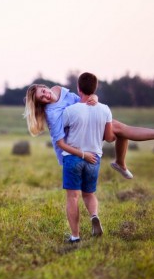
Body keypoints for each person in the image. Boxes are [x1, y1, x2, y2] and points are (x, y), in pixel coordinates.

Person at [23, 80, 154, 179]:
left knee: (119, 128)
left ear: (45, 87)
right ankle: (120, 163)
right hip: (74, 139)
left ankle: (120, 163)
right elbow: (61, 141)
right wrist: (82, 154)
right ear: (41, 103)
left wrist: (94, 98)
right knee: (118, 129)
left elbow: (82, 101)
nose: (46, 95)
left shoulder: (59, 90)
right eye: (42, 97)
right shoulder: (52, 113)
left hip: (84, 125)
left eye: (44, 91)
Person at [56, 72, 115, 242]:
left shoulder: (70, 110)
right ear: (95, 88)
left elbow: (59, 132)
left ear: (78, 89)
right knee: (89, 194)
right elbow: (110, 137)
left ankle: (75, 236)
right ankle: (94, 215)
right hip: (94, 158)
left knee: (73, 197)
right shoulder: (105, 109)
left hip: (73, 157)